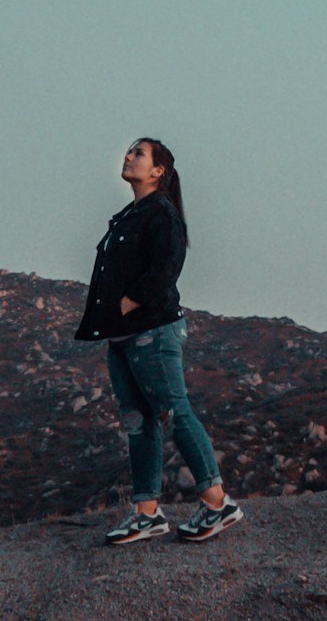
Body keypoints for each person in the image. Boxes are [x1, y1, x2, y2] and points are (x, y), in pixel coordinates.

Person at [75, 138, 242, 545]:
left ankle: (217, 502)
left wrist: (131, 303)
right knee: (138, 421)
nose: (128, 156)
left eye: (139, 153)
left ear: (157, 171)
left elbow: (167, 266)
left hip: (152, 331)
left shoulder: (161, 214)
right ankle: (147, 512)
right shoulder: (128, 216)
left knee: (174, 413)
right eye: (130, 152)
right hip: (121, 335)